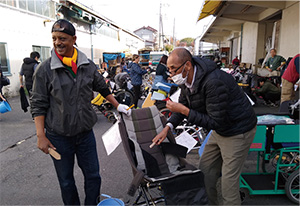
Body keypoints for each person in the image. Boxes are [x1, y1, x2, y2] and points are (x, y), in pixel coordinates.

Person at [30, 19, 131, 205]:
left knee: (93, 177)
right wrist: (40, 135)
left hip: (85, 134)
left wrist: (117, 105)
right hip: (58, 136)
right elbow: (38, 103)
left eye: (62, 38)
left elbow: (102, 87)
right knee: (66, 182)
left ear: (73, 39)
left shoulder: (87, 65)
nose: (57, 42)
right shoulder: (45, 69)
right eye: (54, 38)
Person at [152, 48, 257, 205]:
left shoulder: (213, 82)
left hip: (238, 130)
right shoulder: (186, 81)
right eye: (169, 69)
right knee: (205, 172)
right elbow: (182, 105)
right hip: (221, 129)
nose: (171, 74)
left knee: (228, 184)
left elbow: (214, 121)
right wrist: (167, 128)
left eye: (174, 69)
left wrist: (185, 111)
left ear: (187, 66)